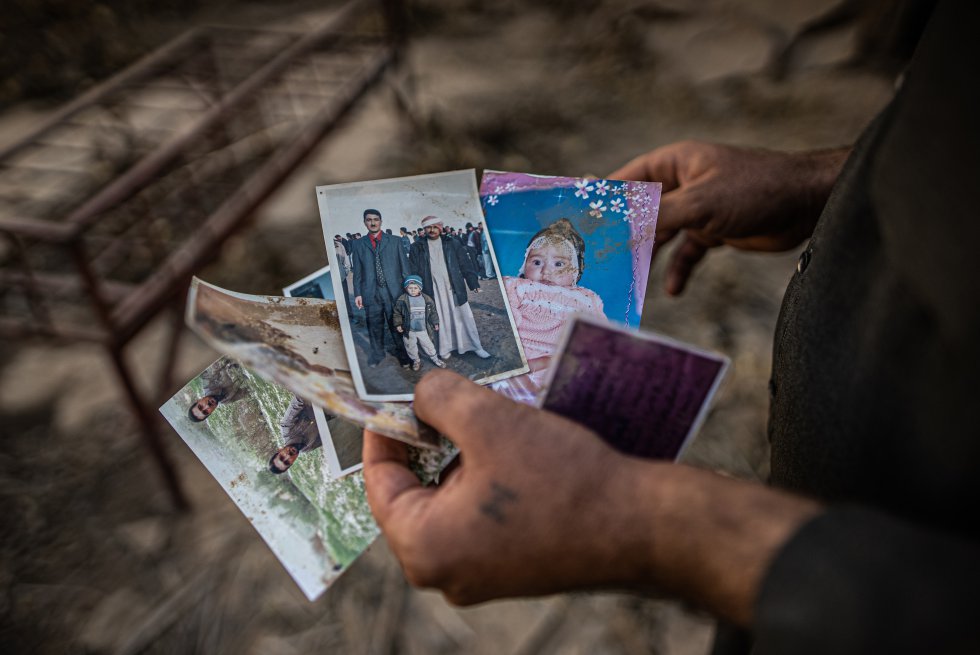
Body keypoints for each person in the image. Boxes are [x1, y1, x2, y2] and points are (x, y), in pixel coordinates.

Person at [361, 4, 980, 654]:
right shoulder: (503, 291)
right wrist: (834, 180)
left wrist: (645, 524)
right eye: (535, 261)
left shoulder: (583, 315)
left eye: (557, 265)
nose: (541, 272)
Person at [503, 218, 605, 390]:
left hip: (561, 362)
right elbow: (507, 320)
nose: (546, 271)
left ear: (576, 270)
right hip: (523, 354)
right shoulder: (519, 287)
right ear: (524, 265)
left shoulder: (588, 299)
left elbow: (600, 334)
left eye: (559, 264)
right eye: (537, 262)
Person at [409, 215, 491, 360]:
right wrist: (416, 290)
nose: (432, 230)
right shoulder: (417, 247)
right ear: (424, 229)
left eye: (435, 227)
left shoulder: (452, 243)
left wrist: (473, 283)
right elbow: (413, 269)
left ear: (440, 228)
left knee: (464, 317)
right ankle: (445, 348)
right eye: (428, 227)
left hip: (454, 287)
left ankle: (475, 346)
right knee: (440, 318)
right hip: (432, 289)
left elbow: (465, 264)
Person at [350, 209, 412, 367]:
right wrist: (358, 293)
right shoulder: (358, 244)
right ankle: (377, 355)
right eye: (369, 220)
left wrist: (409, 289)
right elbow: (357, 272)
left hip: (394, 291)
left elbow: (405, 269)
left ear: (381, 221)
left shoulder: (396, 241)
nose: (372, 222)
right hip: (371, 293)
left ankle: (404, 355)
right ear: (365, 222)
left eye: (376, 219)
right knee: (374, 325)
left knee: (397, 325)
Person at [392, 275, 446, 371]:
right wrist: (398, 324)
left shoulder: (426, 299)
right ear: (406, 288)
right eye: (410, 288)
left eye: (415, 288)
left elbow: (433, 312)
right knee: (410, 346)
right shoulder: (402, 299)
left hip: (423, 329)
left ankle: (435, 359)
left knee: (428, 345)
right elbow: (397, 313)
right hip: (409, 330)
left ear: (420, 288)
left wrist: (435, 323)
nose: (413, 290)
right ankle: (416, 360)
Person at [268, 396, 322, 474]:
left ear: (279, 450)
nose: (288, 456)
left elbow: (299, 398)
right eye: (287, 462)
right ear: (292, 463)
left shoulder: (286, 426)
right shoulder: (308, 448)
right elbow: (331, 434)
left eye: (282, 457)